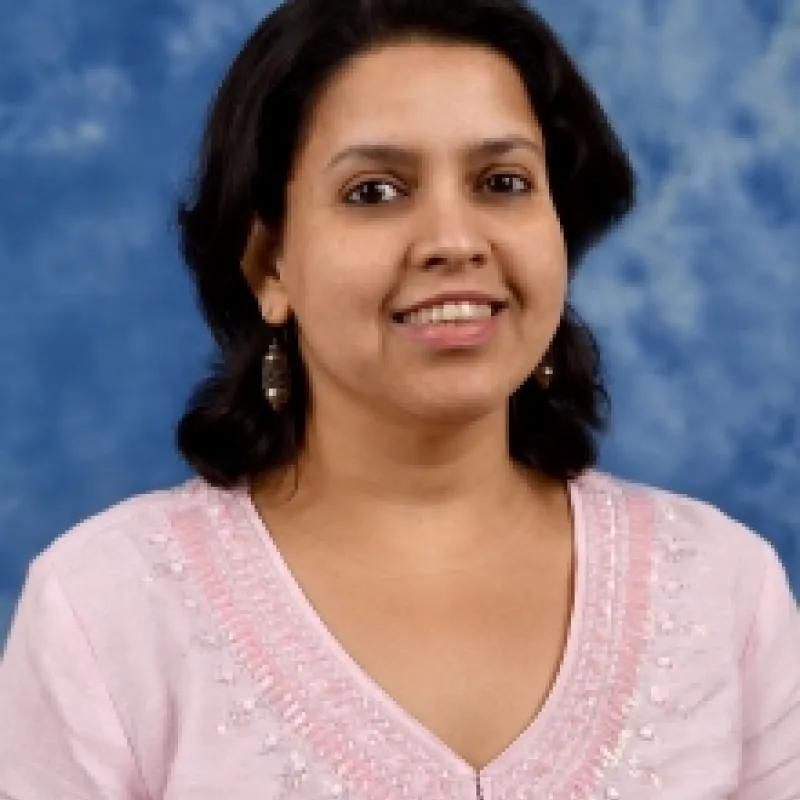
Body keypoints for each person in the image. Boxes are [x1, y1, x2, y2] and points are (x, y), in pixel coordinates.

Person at [1, 0, 798, 797]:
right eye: (375, 192)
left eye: (503, 182)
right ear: (270, 265)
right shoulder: (106, 612)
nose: (455, 238)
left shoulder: (724, 593)